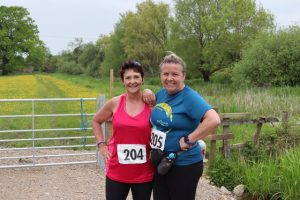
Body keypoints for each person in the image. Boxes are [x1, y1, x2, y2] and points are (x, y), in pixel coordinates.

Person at [149, 53, 221, 200]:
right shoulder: (162, 93)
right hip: (161, 161)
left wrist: (190, 139)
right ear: (160, 75)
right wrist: (146, 92)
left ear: (184, 76)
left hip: (184, 164)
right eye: (165, 74)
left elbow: (213, 119)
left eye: (175, 74)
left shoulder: (189, 97)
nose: (169, 78)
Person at [92, 60, 153, 200]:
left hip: (144, 173)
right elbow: (96, 121)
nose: (133, 81)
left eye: (136, 77)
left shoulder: (150, 103)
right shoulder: (115, 102)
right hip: (117, 170)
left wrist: (149, 91)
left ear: (142, 80)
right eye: (128, 78)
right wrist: (102, 145)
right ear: (123, 81)